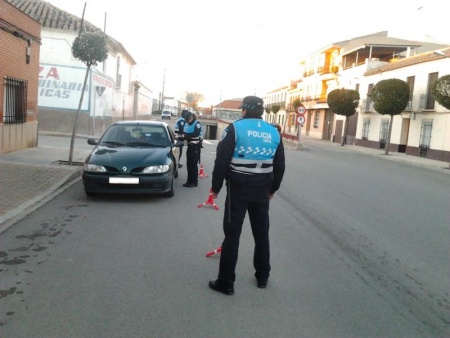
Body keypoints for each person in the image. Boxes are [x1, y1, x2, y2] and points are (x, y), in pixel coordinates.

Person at [208, 95, 285, 295]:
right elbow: (280, 165)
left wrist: (215, 188)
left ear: (244, 110)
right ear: (261, 111)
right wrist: (272, 189)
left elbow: (222, 161)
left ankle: (226, 282)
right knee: (261, 234)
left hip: (238, 189)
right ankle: (262, 277)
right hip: (261, 190)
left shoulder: (234, 129)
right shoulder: (274, 132)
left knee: (232, 235)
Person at [178, 111, 202, 187]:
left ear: (191, 117)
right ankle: (189, 181)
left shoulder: (197, 124)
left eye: (188, 120)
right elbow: (185, 134)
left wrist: (186, 136)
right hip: (190, 146)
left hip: (195, 147)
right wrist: (180, 138)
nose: (187, 121)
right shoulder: (189, 124)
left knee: (193, 165)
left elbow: (196, 133)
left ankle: (194, 182)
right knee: (189, 164)